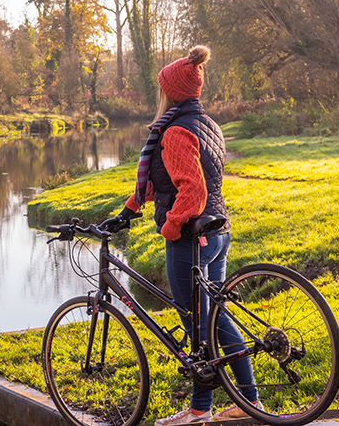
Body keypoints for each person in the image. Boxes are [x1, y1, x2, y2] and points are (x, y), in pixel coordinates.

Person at [105, 45, 260, 425]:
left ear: (170, 91)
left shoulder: (173, 131)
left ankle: (199, 409)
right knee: (213, 319)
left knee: (196, 324)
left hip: (191, 237)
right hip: (218, 230)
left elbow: (192, 191)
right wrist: (130, 210)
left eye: (161, 88)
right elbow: (165, 182)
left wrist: (170, 226)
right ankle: (247, 401)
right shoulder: (206, 123)